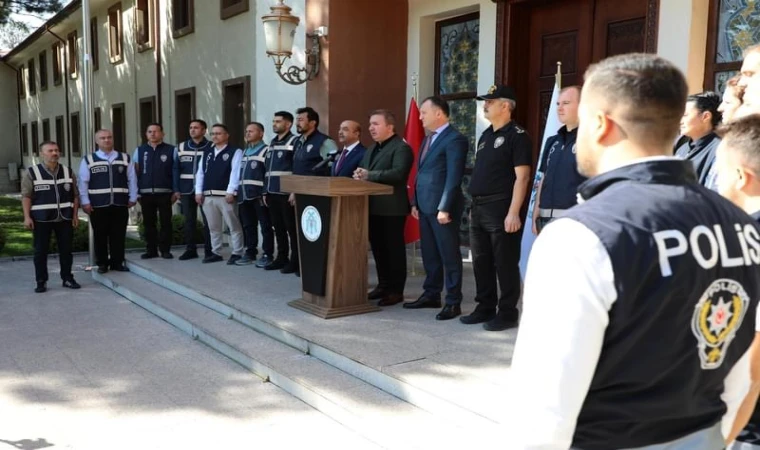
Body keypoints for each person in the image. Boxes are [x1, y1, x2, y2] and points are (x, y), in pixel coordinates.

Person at [506, 53, 760, 449]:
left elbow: (544, 407)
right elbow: (739, 376)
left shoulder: (579, 235)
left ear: (599, 124)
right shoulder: (741, 225)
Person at [459, 85, 531, 332]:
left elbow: (521, 178)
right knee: (480, 261)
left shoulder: (517, 135)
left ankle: (508, 312)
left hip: (501, 207)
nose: (485, 105)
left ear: (505, 105)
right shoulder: (486, 135)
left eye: (490, 101)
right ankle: (485, 307)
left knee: (505, 262)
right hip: (479, 207)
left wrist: (513, 212)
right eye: (485, 101)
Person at [714, 115, 760, 449]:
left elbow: (754, 369)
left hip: (747, 427)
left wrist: (723, 439)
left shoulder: (749, 243)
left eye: (719, 173)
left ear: (741, 177)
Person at [405, 96, 467, 321]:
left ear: (439, 114)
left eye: (424, 112)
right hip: (425, 206)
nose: (420, 116)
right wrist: (415, 202)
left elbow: (453, 177)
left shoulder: (455, 139)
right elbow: (420, 174)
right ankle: (431, 294)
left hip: (443, 209)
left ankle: (453, 301)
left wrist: (445, 207)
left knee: (449, 255)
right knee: (430, 254)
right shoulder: (428, 139)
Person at [353, 110, 413, 307]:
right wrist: (360, 173)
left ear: (390, 126)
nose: (371, 128)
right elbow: (365, 169)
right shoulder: (371, 149)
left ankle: (396, 291)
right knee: (378, 249)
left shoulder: (401, 148)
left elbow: (398, 174)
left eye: (376, 124)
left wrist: (369, 175)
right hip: (371, 206)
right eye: (370, 124)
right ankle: (383, 285)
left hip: (392, 208)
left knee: (393, 250)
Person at [285, 107, 338, 276]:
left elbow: (331, 169)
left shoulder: (324, 142)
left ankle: (315, 267)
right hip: (299, 193)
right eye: (297, 119)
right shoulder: (298, 141)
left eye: (301, 119)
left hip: (316, 196)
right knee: (297, 231)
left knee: (314, 233)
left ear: (312, 122)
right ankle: (298, 263)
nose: (297, 122)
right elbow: (297, 169)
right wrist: (294, 190)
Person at [22, 141, 81, 292]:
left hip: (65, 218)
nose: (54, 153)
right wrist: (27, 217)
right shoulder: (32, 172)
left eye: (56, 150)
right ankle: (41, 281)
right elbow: (26, 196)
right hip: (42, 219)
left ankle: (67, 278)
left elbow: (75, 195)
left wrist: (75, 215)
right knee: (40, 251)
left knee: (66, 251)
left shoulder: (68, 171)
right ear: (42, 154)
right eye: (50, 151)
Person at [78, 129, 137, 274]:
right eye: (102, 138)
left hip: (120, 203)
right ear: (97, 141)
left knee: (118, 234)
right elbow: (83, 182)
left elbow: (132, 179)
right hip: (98, 205)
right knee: (100, 235)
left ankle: (117, 262)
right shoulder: (89, 160)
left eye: (109, 137)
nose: (106, 140)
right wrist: (85, 201)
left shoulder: (124, 158)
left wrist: (133, 197)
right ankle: (102, 263)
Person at [532, 85, 585, 234]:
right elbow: (542, 178)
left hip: (575, 222)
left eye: (566, 103)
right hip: (544, 220)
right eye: (558, 104)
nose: (560, 108)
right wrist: (536, 212)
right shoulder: (552, 141)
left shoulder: (591, 141)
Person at [194, 124, 245, 265]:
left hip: (225, 196)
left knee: (233, 225)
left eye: (218, 133)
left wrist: (231, 191)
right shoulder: (207, 152)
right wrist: (198, 192)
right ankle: (216, 252)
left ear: (226, 135)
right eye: (213, 133)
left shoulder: (235, 151)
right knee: (213, 227)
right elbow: (200, 173)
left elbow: (235, 173)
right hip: (208, 196)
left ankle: (237, 252)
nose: (215, 136)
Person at [133, 123, 179, 260]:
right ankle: (151, 250)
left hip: (165, 193)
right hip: (145, 194)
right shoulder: (140, 151)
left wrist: (175, 191)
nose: (152, 134)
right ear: (146, 134)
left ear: (162, 134)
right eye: (149, 131)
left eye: (155, 131)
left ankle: (165, 250)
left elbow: (175, 171)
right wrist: (136, 192)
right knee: (148, 223)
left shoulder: (171, 150)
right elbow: (135, 172)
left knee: (166, 222)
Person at [263, 111, 298, 272]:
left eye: (278, 121)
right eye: (273, 121)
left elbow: (296, 167)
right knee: (278, 228)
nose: (274, 124)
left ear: (288, 124)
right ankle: (281, 257)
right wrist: (265, 191)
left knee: (291, 229)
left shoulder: (294, 141)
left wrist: (294, 190)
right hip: (272, 192)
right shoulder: (272, 142)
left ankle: (295, 260)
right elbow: (267, 169)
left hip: (286, 193)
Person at [236, 122, 274, 268]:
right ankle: (250, 252)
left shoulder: (266, 150)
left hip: (258, 196)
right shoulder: (245, 152)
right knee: (248, 225)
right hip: (244, 195)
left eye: (251, 131)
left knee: (265, 226)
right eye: (246, 131)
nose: (247, 133)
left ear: (261, 133)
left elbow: (268, 174)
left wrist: (264, 192)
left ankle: (267, 254)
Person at [177, 119, 213, 261]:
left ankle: (210, 250)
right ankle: (190, 249)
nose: (192, 130)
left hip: (205, 189)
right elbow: (175, 169)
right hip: (186, 190)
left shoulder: (211, 146)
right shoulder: (181, 147)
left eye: (196, 128)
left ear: (204, 131)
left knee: (209, 221)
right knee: (189, 221)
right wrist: (176, 189)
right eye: (191, 127)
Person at [675, 91, 723, 188]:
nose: (680, 121)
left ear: (705, 116)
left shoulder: (720, 149)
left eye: (685, 115)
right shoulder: (682, 148)